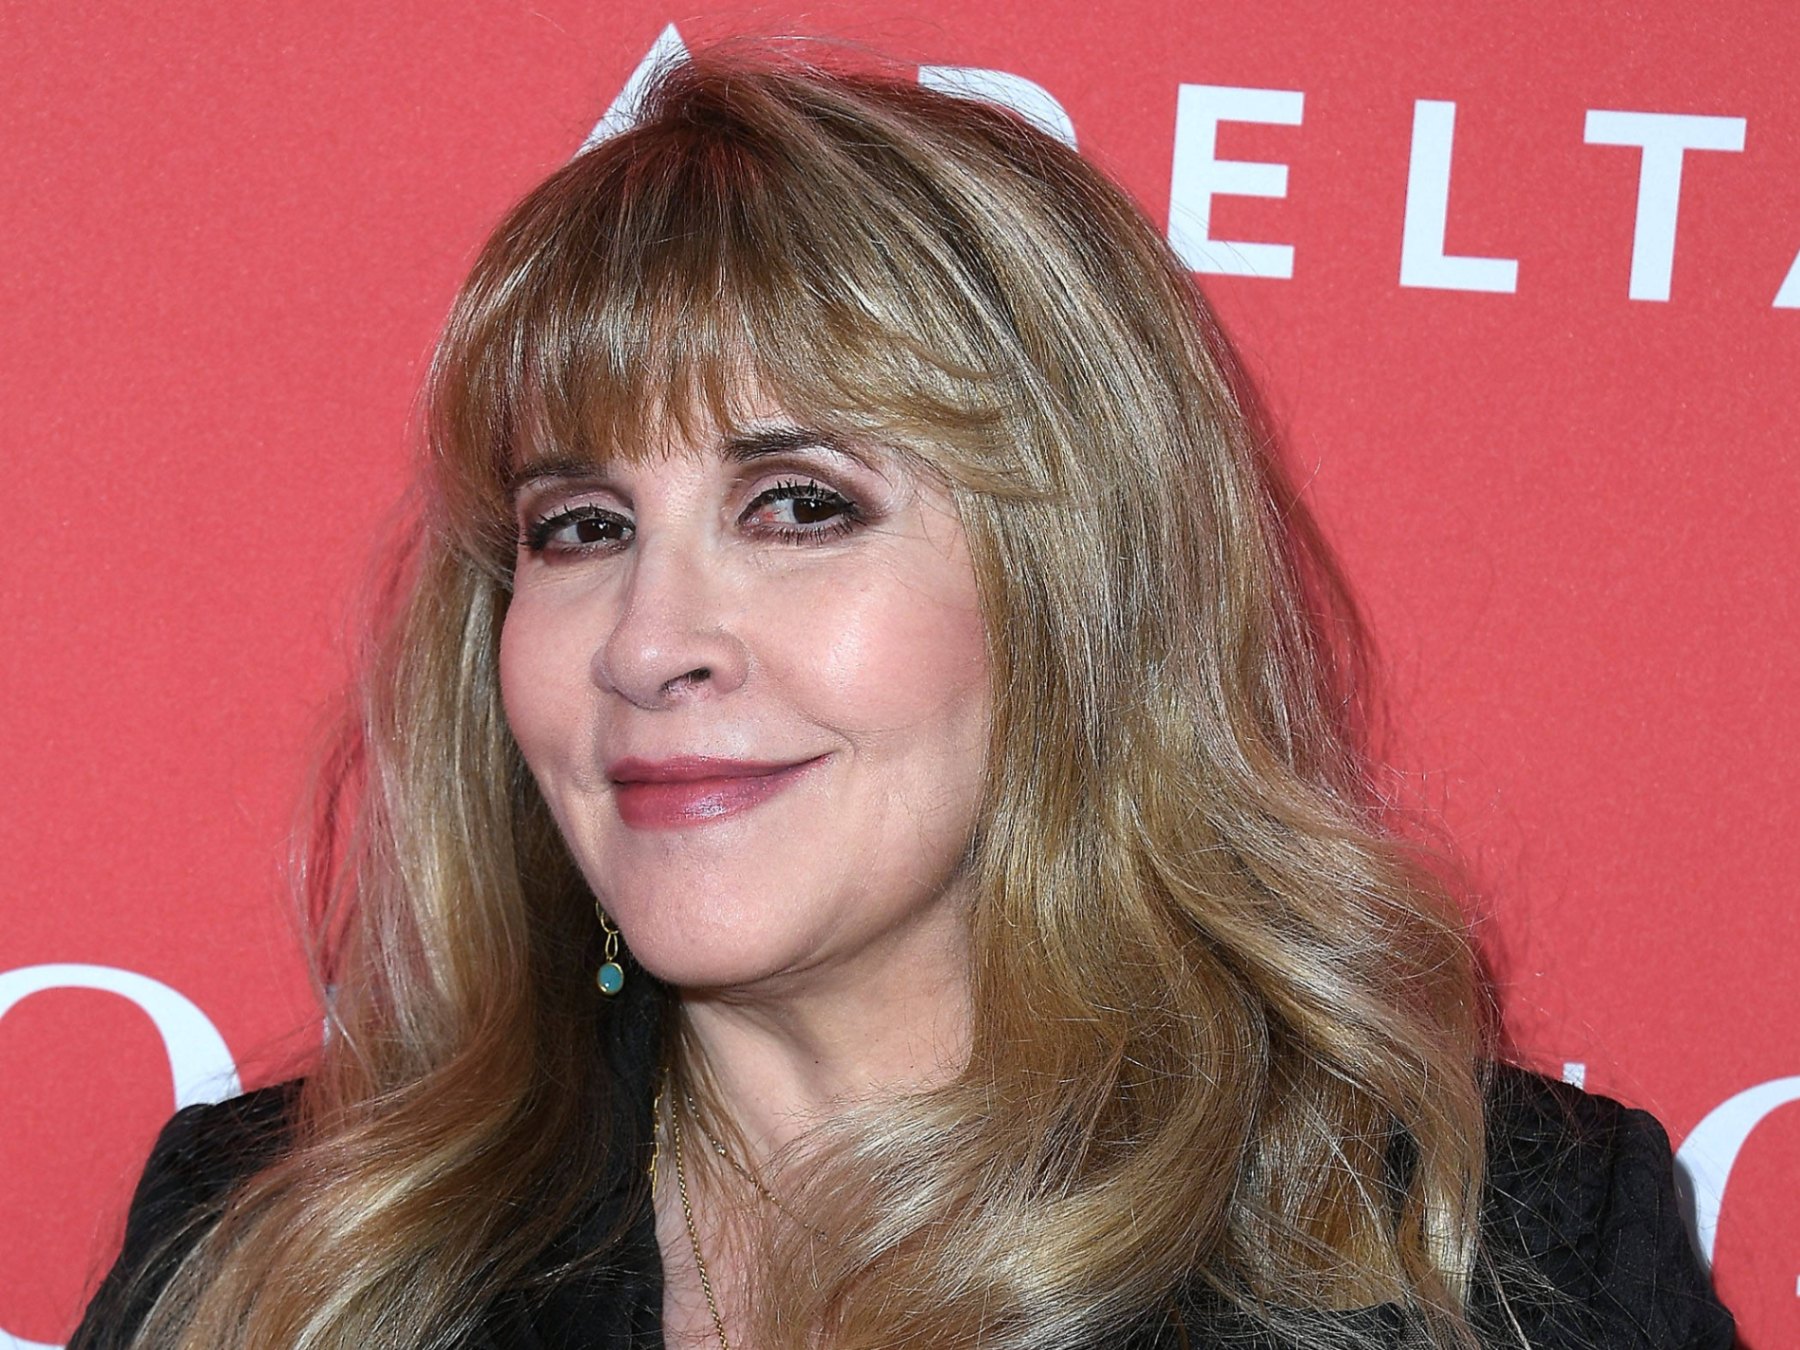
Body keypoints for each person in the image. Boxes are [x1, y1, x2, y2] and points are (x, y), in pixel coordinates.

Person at [72, 41, 1732, 1350]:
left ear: (1073, 588)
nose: (649, 641)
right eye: (581, 527)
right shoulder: (282, 1249)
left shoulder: (1490, 1250)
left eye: (800, 506)